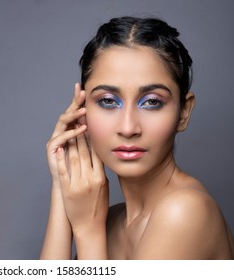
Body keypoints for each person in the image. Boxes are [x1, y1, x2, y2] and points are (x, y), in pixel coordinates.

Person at [40, 16, 234, 260]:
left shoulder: (185, 212)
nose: (128, 127)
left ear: (183, 112)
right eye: (108, 101)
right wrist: (61, 182)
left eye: (152, 102)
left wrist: (87, 232)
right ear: (82, 110)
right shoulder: (109, 221)